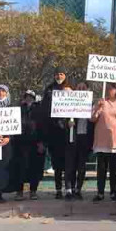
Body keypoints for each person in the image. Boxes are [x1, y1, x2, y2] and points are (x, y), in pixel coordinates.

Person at [91, 82, 116, 202]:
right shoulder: (102, 101)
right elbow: (92, 118)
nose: (109, 90)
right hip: (102, 140)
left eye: (112, 87)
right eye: (108, 87)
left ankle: (113, 192)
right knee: (101, 169)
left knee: (114, 169)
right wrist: (98, 107)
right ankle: (100, 192)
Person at [41, 67, 71, 199]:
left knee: (68, 163)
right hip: (53, 131)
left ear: (65, 76)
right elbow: (45, 108)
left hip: (67, 131)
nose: (59, 76)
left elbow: (76, 107)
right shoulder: (49, 89)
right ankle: (58, 190)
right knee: (57, 163)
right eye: (57, 74)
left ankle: (69, 189)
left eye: (61, 74)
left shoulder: (70, 89)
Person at [12, 90, 45, 201]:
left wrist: (41, 142)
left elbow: (42, 127)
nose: (29, 98)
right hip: (20, 143)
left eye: (31, 97)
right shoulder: (18, 109)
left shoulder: (39, 110)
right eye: (27, 96)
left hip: (35, 143)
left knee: (34, 169)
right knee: (19, 168)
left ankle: (33, 191)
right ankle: (19, 191)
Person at [64, 82, 95, 200]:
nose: (81, 90)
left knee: (81, 166)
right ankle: (68, 190)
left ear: (87, 90)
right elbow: (62, 118)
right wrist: (68, 123)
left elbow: (94, 121)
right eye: (79, 88)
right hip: (72, 137)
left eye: (84, 88)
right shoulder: (70, 103)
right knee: (70, 165)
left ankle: (78, 189)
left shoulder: (92, 105)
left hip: (85, 138)